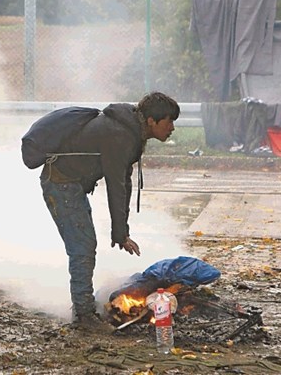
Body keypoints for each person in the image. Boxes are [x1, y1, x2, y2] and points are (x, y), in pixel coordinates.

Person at [39, 92, 180, 332]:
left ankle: (84, 305)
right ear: (151, 121)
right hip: (61, 184)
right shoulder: (121, 135)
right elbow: (116, 185)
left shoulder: (131, 131)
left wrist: (120, 233)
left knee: (85, 244)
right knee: (83, 246)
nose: (172, 128)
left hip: (70, 184)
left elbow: (123, 181)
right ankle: (83, 315)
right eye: (169, 121)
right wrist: (121, 233)